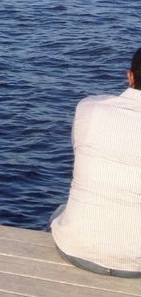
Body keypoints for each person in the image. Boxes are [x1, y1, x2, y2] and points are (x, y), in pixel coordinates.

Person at [50, 48, 141, 277]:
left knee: (61, 210)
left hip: (75, 248)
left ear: (130, 76)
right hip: (135, 264)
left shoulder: (88, 108)